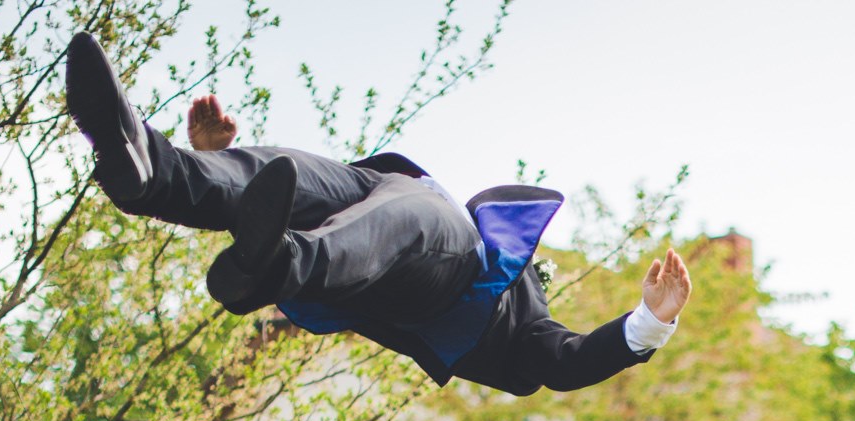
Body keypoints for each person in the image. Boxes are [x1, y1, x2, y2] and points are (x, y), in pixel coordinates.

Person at [63, 34, 691, 396]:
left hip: (442, 284)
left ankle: (283, 261)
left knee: (418, 211)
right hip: (373, 209)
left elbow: (573, 360)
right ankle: (162, 175)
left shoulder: (527, 335)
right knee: (296, 171)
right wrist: (218, 159)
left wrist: (649, 323)